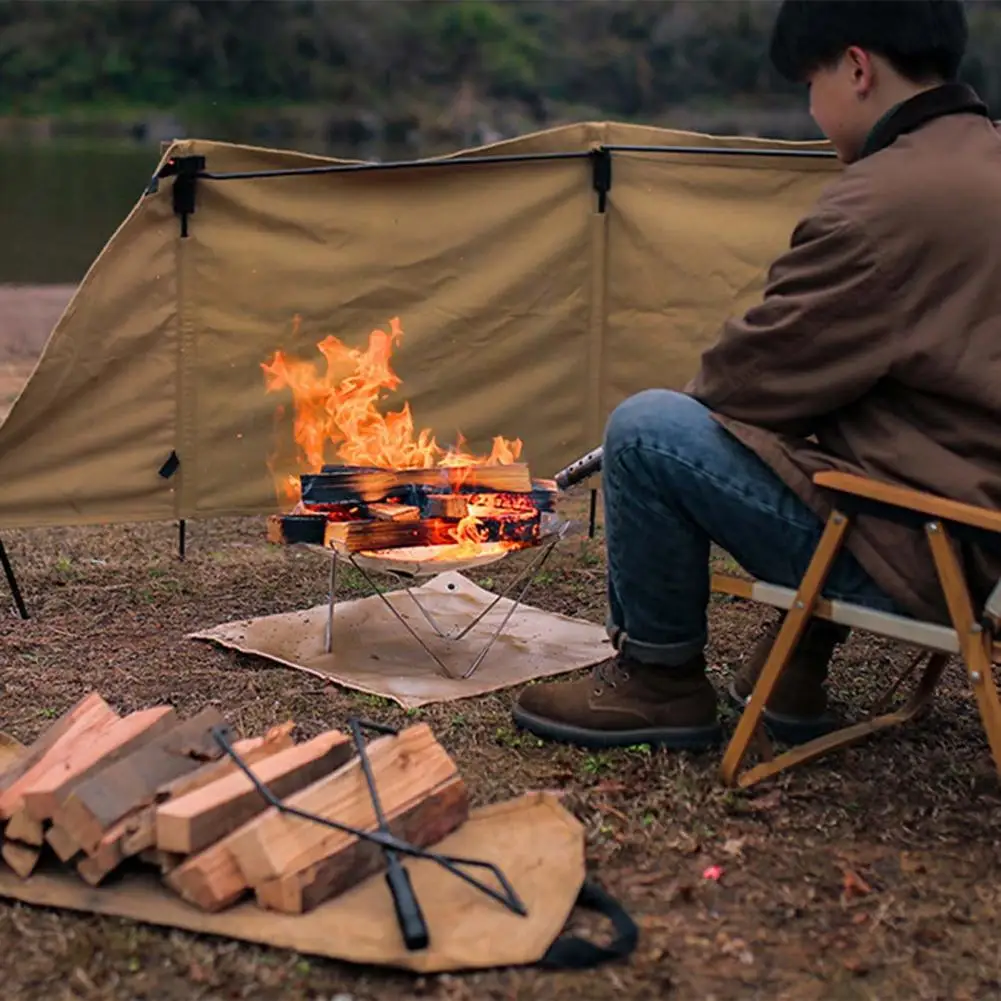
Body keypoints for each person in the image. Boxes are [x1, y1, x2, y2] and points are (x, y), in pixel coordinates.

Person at [512, 0, 1001, 750]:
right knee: (841, 423)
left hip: (934, 554)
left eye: (811, 84)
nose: (813, 111)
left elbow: (742, 382)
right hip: (978, 533)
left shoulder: (883, 201)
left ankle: (658, 679)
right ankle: (793, 670)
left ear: (857, 67)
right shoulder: (983, 160)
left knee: (647, 431)